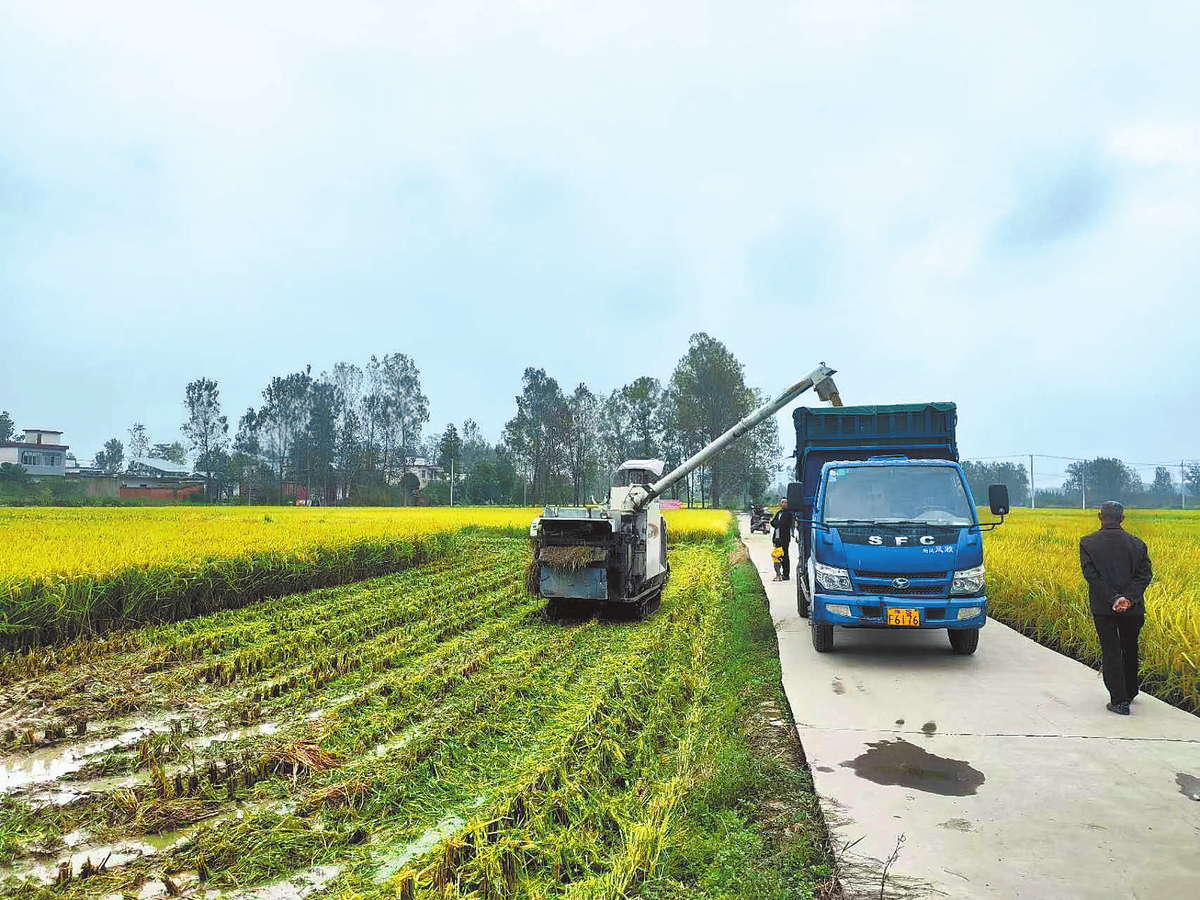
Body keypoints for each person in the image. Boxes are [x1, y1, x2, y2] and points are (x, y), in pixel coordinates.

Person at [1079, 501, 1153, 716]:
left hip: (1104, 608)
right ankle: (1130, 691)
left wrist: (1114, 598)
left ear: (1100, 516)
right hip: (1133, 608)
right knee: (1130, 647)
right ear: (1122, 518)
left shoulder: (1087, 543)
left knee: (1111, 650)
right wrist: (1128, 598)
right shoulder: (1137, 544)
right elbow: (1144, 575)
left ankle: (1119, 702)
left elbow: (1091, 576)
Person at [770, 497, 794, 581]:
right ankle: (778, 574)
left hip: (784, 538)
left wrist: (777, 523)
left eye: (785, 502)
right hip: (777, 537)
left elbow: (782, 524)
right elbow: (772, 522)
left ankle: (786, 574)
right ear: (780, 504)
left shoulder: (788, 514)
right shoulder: (779, 513)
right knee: (777, 555)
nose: (783, 504)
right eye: (782, 502)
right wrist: (777, 524)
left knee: (784, 555)